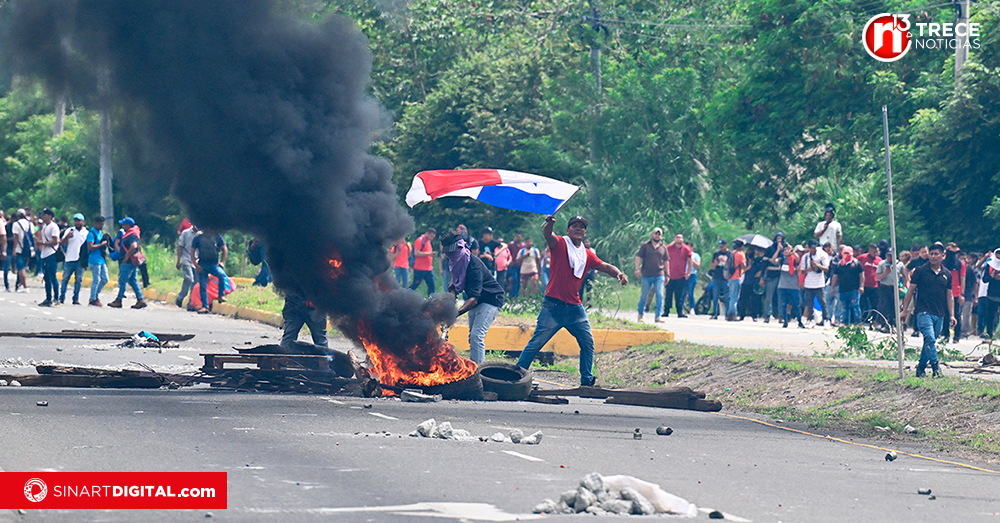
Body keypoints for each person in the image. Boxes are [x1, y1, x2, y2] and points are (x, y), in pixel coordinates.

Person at [516, 215, 628, 386]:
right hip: (553, 306)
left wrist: (619, 273)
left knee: (587, 343)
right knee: (536, 343)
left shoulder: (586, 254)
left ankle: (586, 380)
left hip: (575, 308)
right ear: (568, 230)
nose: (578, 229)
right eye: (574, 226)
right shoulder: (560, 244)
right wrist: (550, 224)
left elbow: (604, 266)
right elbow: (548, 235)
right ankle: (516, 375)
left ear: (584, 232)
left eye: (582, 227)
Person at [443, 233, 505, 364]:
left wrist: (455, 314)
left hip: (490, 299)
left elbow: (473, 299)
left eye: (452, 252)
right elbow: (458, 279)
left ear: (459, 249)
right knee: (472, 337)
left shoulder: (473, 265)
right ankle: (475, 365)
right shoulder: (455, 262)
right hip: (477, 299)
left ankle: (478, 371)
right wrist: (453, 286)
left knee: (477, 336)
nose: (450, 256)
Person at [900, 243, 954, 377]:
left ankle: (921, 367)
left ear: (943, 256)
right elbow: (910, 290)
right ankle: (936, 367)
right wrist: (905, 309)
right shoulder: (920, 271)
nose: (933, 256)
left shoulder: (946, 274)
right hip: (923, 311)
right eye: (931, 253)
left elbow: (949, 295)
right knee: (929, 338)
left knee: (930, 342)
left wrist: (952, 315)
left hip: (940, 313)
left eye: (936, 254)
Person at [108, 217, 147, 309]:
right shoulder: (133, 233)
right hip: (133, 261)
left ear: (128, 225)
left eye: (124, 224)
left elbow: (134, 246)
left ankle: (119, 300)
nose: (122, 226)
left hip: (128, 262)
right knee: (132, 281)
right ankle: (140, 299)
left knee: (122, 281)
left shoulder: (131, 235)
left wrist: (126, 256)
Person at [634, 227, 667, 322]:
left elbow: (666, 261)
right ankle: (641, 314)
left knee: (660, 294)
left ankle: (658, 316)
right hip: (646, 274)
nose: (657, 235)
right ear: (652, 234)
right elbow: (638, 257)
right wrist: (637, 269)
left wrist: (667, 274)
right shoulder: (645, 246)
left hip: (659, 274)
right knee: (644, 295)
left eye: (659, 234)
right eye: (655, 233)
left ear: (661, 236)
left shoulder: (663, 247)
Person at [191, 230, 229, 313]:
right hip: (202, 265)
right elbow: (192, 251)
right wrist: (196, 265)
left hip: (213, 265)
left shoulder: (217, 237)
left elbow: (224, 248)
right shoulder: (199, 238)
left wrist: (222, 262)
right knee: (203, 286)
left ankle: (221, 295)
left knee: (222, 275)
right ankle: (205, 306)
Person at [58, 213, 88, 305]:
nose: (77, 222)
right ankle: (62, 297)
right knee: (65, 279)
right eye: (76, 221)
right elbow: (62, 243)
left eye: (79, 221)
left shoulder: (86, 233)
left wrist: (86, 262)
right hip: (69, 258)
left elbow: (87, 248)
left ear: (83, 222)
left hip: (80, 260)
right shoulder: (69, 230)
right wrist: (67, 237)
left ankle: (75, 298)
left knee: (78, 280)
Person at [831, 246, 864, 325]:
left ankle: (858, 323)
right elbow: (835, 276)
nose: (846, 255)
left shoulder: (856, 263)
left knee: (855, 306)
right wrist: (832, 288)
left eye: (848, 253)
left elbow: (861, 275)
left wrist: (861, 286)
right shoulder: (839, 264)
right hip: (843, 289)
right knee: (845, 308)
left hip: (854, 289)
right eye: (845, 253)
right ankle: (846, 324)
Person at [800, 239, 829, 328]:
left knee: (822, 302)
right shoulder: (805, 257)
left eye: (814, 247)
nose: (813, 249)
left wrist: (817, 265)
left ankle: (826, 319)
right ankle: (811, 320)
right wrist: (809, 269)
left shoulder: (822, 255)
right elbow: (803, 272)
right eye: (811, 248)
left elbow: (826, 268)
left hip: (819, 283)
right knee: (809, 303)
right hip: (809, 283)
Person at [875, 248, 905, 332]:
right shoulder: (882, 264)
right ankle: (883, 324)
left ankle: (891, 324)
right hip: (884, 287)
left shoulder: (899, 264)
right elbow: (877, 277)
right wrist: (885, 273)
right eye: (888, 255)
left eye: (891, 255)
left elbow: (905, 275)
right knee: (884, 306)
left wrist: (903, 287)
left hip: (894, 288)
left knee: (894, 307)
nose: (889, 257)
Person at [664, 233, 691, 318]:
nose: (678, 239)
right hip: (670, 276)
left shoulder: (686, 249)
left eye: (680, 238)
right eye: (677, 237)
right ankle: (666, 311)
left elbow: (690, 262)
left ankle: (680, 312)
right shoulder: (668, 248)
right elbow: (664, 260)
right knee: (668, 294)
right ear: (674, 238)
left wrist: (688, 273)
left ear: (682, 239)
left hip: (681, 275)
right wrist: (665, 272)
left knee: (679, 295)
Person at [37, 209, 60, 307]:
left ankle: (56, 298)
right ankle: (48, 298)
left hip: (51, 253)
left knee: (52, 276)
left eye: (45, 215)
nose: (43, 216)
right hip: (44, 254)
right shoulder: (45, 227)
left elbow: (55, 241)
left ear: (50, 216)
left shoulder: (54, 227)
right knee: (46, 277)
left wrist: (42, 243)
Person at [776, 244, 803, 328]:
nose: (787, 251)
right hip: (783, 285)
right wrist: (778, 250)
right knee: (783, 304)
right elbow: (773, 260)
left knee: (796, 304)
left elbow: (799, 260)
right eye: (785, 250)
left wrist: (793, 252)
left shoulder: (793, 260)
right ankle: (785, 320)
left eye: (788, 250)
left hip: (793, 286)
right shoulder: (781, 260)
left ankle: (799, 320)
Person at [944, 243, 966, 343]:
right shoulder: (943, 263)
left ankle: (957, 336)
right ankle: (945, 335)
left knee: (956, 314)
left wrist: (962, 294)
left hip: (956, 292)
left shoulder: (960, 264)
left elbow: (962, 278)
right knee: (945, 314)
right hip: (944, 291)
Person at [86, 216, 110, 306]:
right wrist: (101, 244)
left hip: (101, 259)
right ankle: (93, 299)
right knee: (96, 279)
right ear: (95, 223)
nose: (101, 226)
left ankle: (95, 295)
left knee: (105, 279)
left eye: (102, 224)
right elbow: (90, 247)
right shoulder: (91, 233)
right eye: (100, 224)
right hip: (94, 260)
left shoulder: (99, 232)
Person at [857, 243, 882, 325]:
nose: (876, 253)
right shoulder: (862, 258)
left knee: (875, 304)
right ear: (870, 250)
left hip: (875, 286)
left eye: (877, 251)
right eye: (874, 251)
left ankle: (873, 321)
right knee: (862, 304)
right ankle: (862, 320)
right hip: (863, 285)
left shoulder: (879, 260)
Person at [762, 233, 785, 322]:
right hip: (771, 276)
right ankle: (767, 314)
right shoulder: (769, 249)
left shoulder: (784, 249)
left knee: (781, 297)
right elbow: (769, 262)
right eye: (778, 238)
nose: (779, 240)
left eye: (781, 238)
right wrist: (762, 277)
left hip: (781, 276)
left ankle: (781, 316)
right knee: (769, 296)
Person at [175, 222, 199, 309]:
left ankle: (191, 303)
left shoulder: (201, 235)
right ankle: (181, 296)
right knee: (189, 278)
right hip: (187, 259)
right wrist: (178, 260)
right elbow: (180, 247)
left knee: (195, 282)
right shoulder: (186, 233)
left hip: (197, 261)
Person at [409, 227, 437, 296]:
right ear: (427, 233)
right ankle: (405, 295)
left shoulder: (428, 242)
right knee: (415, 284)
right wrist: (429, 254)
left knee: (431, 286)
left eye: (433, 237)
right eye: (431, 236)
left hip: (428, 268)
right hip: (420, 268)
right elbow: (416, 253)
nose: (432, 238)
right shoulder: (420, 240)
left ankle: (432, 300)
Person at [725, 239, 746, 321]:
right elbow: (743, 266)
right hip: (736, 277)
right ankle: (732, 314)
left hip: (730, 277)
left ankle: (730, 313)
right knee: (735, 297)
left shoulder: (731, 253)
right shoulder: (740, 254)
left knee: (731, 296)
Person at [709, 240, 729, 319]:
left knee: (727, 296)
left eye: (723, 246)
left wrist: (725, 261)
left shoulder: (729, 254)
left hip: (726, 277)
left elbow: (732, 265)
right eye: (720, 246)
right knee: (715, 296)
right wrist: (717, 261)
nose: (721, 247)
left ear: (726, 245)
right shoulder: (716, 254)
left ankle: (728, 314)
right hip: (717, 277)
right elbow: (712, 266)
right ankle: (715, 313)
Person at [684, 241, 701, 315]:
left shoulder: (695, 255)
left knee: (690, 292)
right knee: (682, 292)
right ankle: (681, 308)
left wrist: (691, 260)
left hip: (692, 274)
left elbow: (697, 265)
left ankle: (692, 308)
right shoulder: (682, 254)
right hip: (683, 274)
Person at [507, 233, 524, 297]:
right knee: (514, 279)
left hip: (521, 265)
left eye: (519, 237)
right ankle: (513, 295)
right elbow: (507, 253)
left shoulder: (523, 246)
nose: (518, 238)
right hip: (513, 265)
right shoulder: (511, 245)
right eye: (517, 236)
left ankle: (517, 295)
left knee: (519, 281)